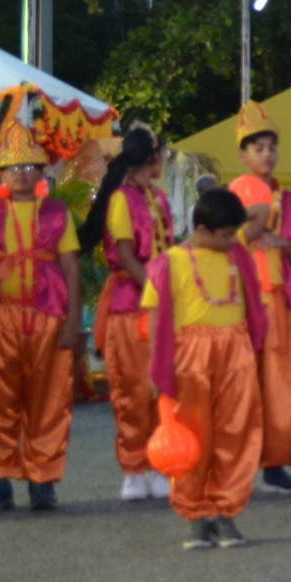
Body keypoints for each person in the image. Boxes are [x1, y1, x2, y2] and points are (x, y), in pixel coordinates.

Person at [141, 188, 268, 550]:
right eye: (226, 234)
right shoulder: (170, 262)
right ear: (201, 229)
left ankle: (226, 511)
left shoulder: (237, 254)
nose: (232, 241)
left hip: (236, 353)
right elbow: (155, 319)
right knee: (194, 436)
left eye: (233, 234)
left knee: (235, 433)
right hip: (190, 357)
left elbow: (261, 213)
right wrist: (156, 367)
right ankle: (196, 514)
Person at [0, 123, 81, 513]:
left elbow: (70, 267)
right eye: (13, 167)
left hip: (48, 316)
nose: (21, 173)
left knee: (49, 400)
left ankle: (43, 480)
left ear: (41, 171)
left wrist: (72, 321)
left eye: (28, 166)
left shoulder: (57, 212)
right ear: (0, 174)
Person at [77, 123, 175, 502]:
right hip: (130, 304)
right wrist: (154, 288)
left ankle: (160, 462)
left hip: (160, 303)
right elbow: (126, 254)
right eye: (161, 154)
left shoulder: (159, 198)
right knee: (132, 388)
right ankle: (135, 468)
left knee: (161, 386)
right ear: (152, 158)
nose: (162, 160)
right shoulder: (121, 199)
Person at [226, 102, 291, 496]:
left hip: (279, 301)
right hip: (242, 302)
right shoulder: (234, 196)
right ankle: (234, 467)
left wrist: (280, 241)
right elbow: (224, 244)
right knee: (239, 383)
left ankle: (274, 466)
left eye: (271, 147)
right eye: (257, 148)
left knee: (281, 385)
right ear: (242, 155)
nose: (266, 154)